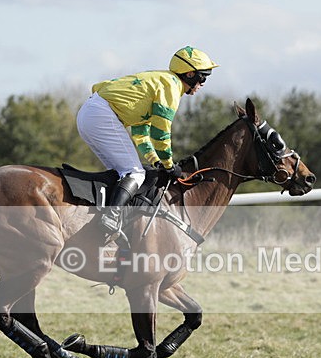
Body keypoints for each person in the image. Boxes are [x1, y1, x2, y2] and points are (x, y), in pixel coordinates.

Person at [76, 46, 219, 234]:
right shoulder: (171, 87)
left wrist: (156, 161)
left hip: (90, 114)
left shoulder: (162, 80)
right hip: (100, 115)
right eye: (203, 77)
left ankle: (108, 217)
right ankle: (110, 217)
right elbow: (161, 133)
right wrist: (169, 165)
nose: (203, 83)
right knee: (134, 173)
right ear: (190, 74)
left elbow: (140, 134)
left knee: (122, 173)